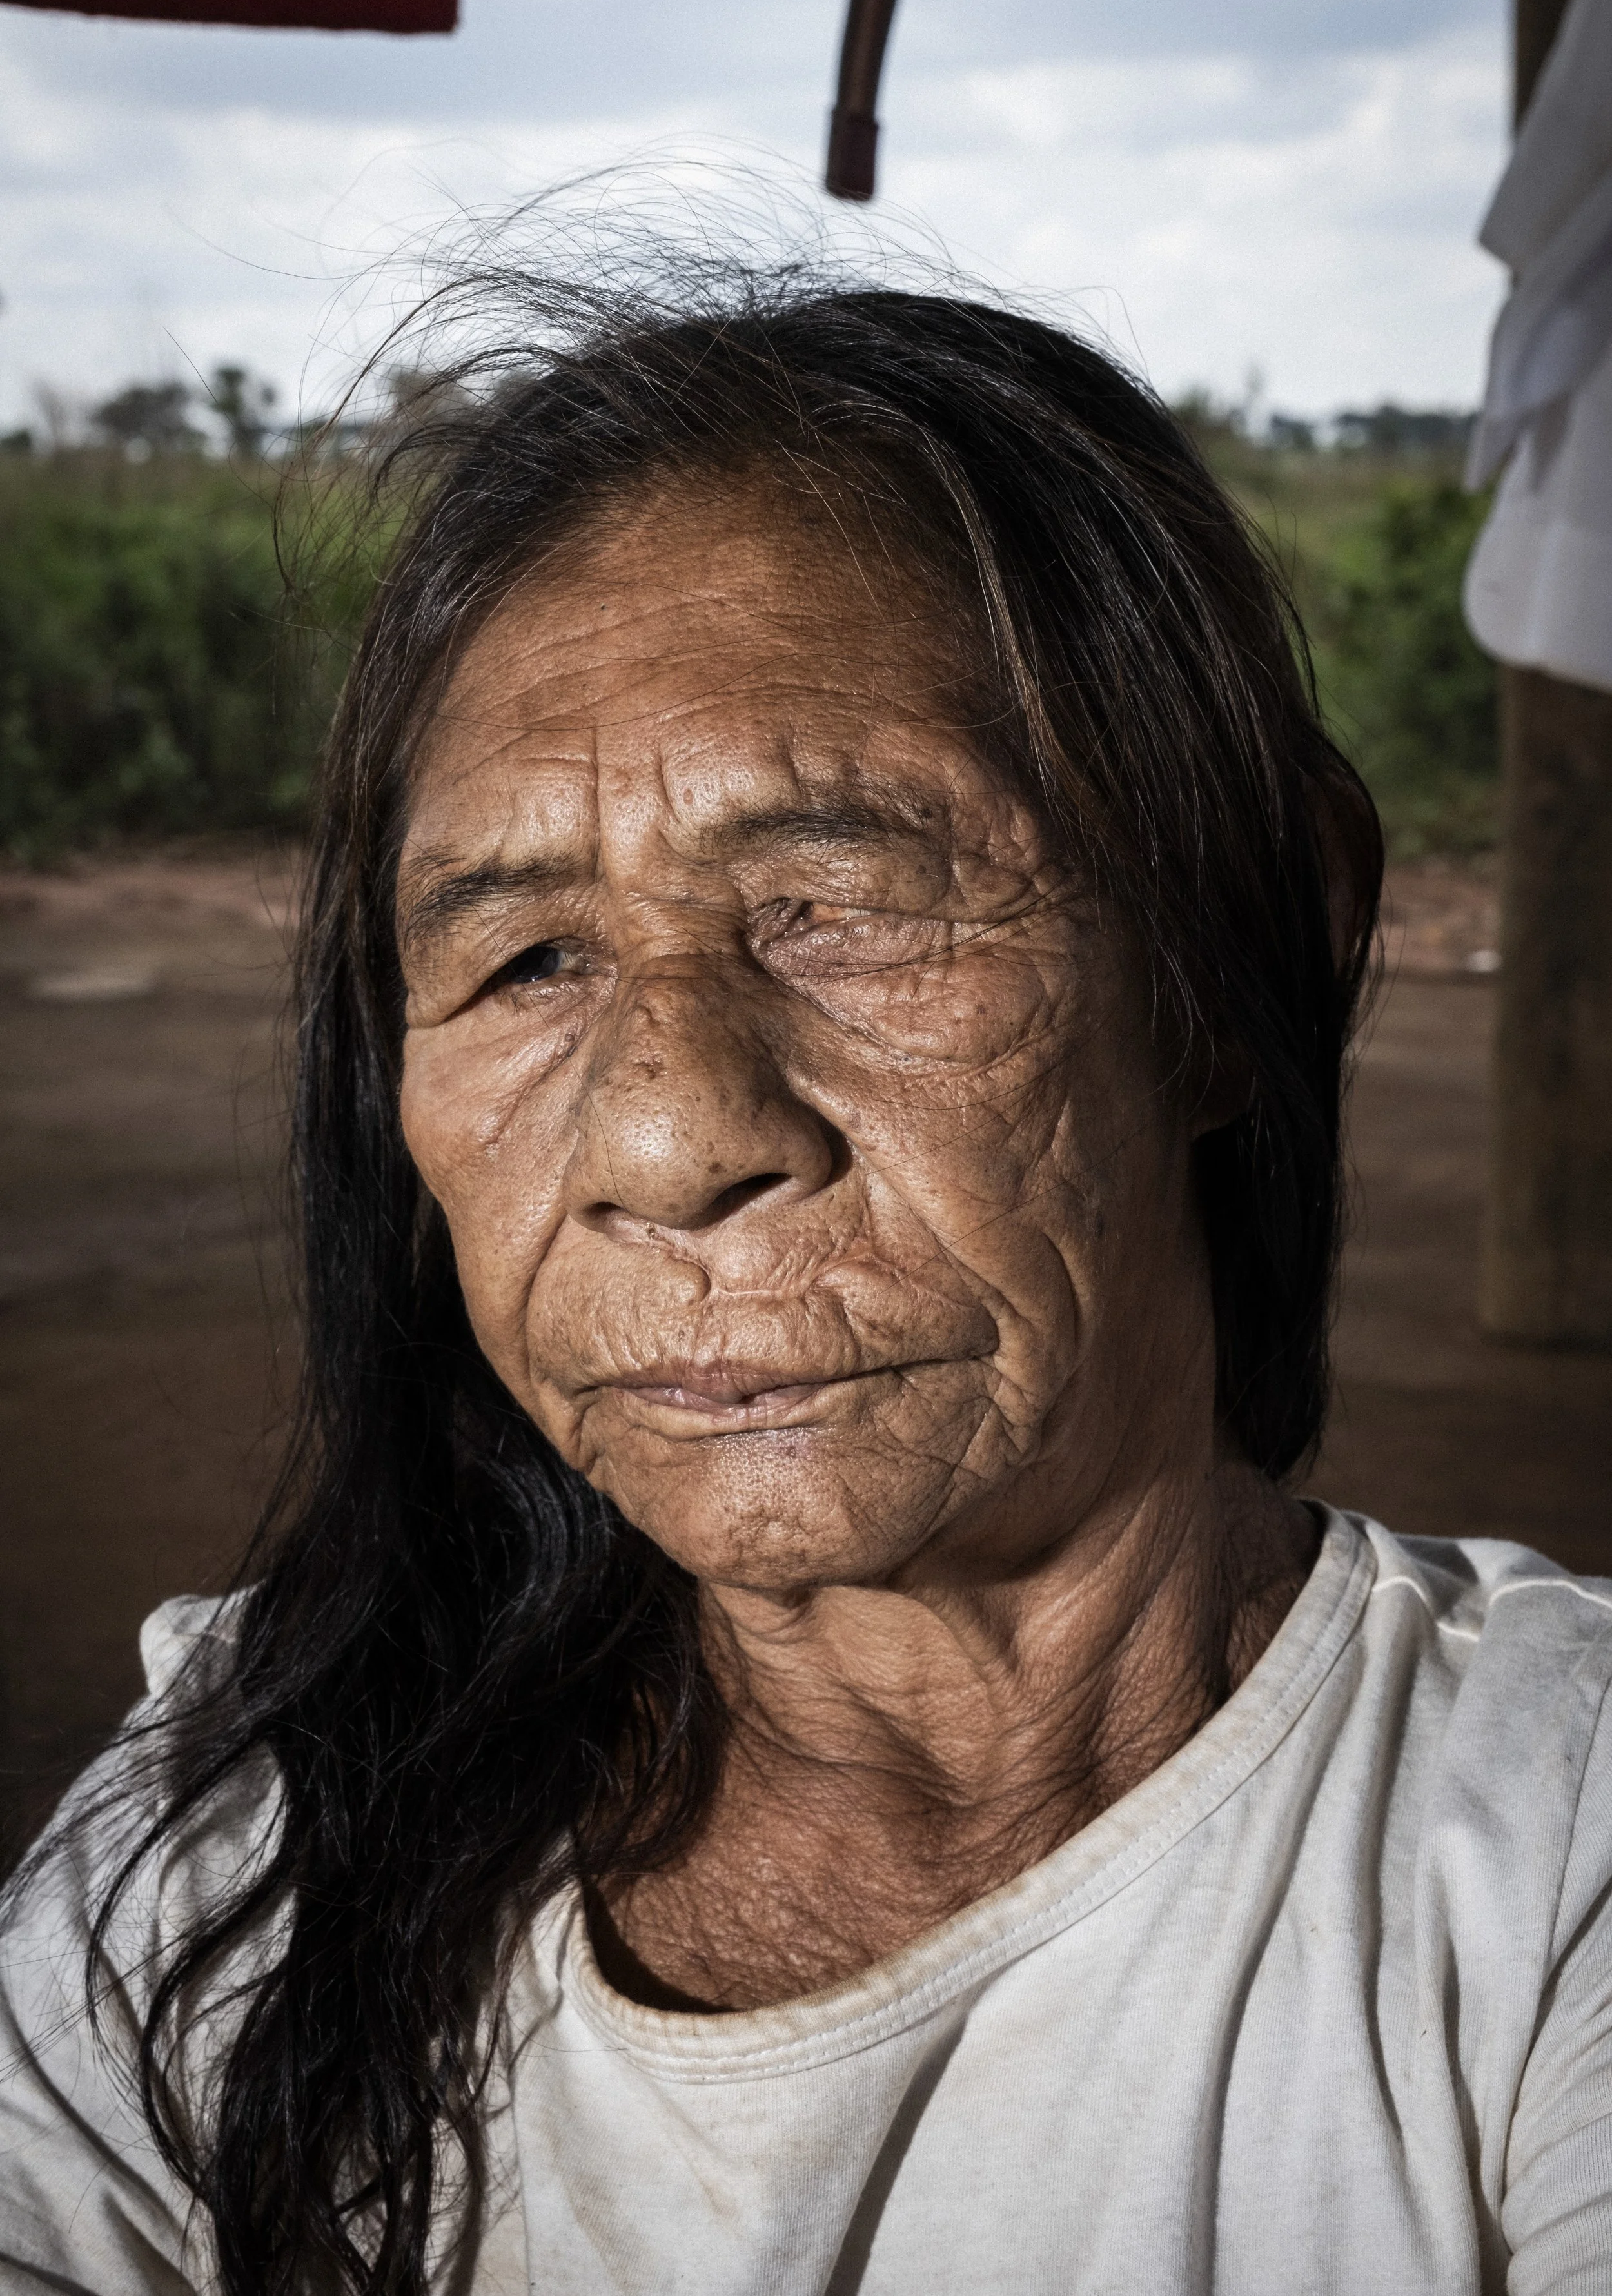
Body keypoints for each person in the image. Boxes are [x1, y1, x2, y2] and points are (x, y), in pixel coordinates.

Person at [2, 277, 1610, 2296]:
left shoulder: (1552, 1854)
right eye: (523, 962)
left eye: (839, 906)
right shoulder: (237, 1832)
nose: (666, 1138)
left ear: (1242, 944)